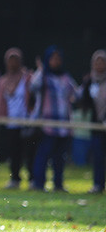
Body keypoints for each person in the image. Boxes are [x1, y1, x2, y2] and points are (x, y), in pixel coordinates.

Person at [30, 45, 78, 192]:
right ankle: (38, 184)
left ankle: (58, 184)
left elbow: (76, 94)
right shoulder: (43, 76)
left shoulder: (66, 77)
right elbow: (32, 86)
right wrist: (41, 69)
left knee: (59, 157)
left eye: (58, 58)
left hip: (63, 125)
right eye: (53, 58)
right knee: (43, 155)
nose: (56, 61)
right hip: (46, 124)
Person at [0, 48, 33, 190]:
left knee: (29, 152)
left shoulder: (28, 78)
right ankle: (15, 179)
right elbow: (0, 103)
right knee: (13, 153)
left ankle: (32, 179)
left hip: (27, 122)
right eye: (10, 60)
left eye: (15, 59)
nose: (13, 63)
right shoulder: (3, 81)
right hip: (10, 123)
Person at [78, 49, 106, 194]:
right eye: (97, 62)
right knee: (98, 156)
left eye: (102, 62)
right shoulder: (89, 81)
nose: (99, 64)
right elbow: (83, 101)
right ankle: (98, 184)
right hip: (96, 125)